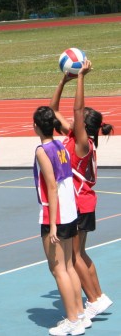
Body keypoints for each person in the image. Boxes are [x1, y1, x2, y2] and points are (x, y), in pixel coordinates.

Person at [49, 59, 114, 320]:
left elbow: (76, 110)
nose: (75, 116)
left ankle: (94, 299)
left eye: (80, 117)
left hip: (78, 203)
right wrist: (64, 81)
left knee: (74, 256)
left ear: (84, 126)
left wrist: (82, 77)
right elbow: (52, 110)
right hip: (83, 202)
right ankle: (98, 296)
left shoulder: (83, 144)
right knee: (81, 253)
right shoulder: (75, 138)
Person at [33, 106, 90, 335]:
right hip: (69, 212)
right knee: (68, 265)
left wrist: (53, 223)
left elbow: (52, 186)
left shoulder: (42, 150)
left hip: (54, 215)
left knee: (58, 269)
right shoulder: (61, 147)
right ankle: (80, 313)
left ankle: (73, 320)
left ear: (36, 126)